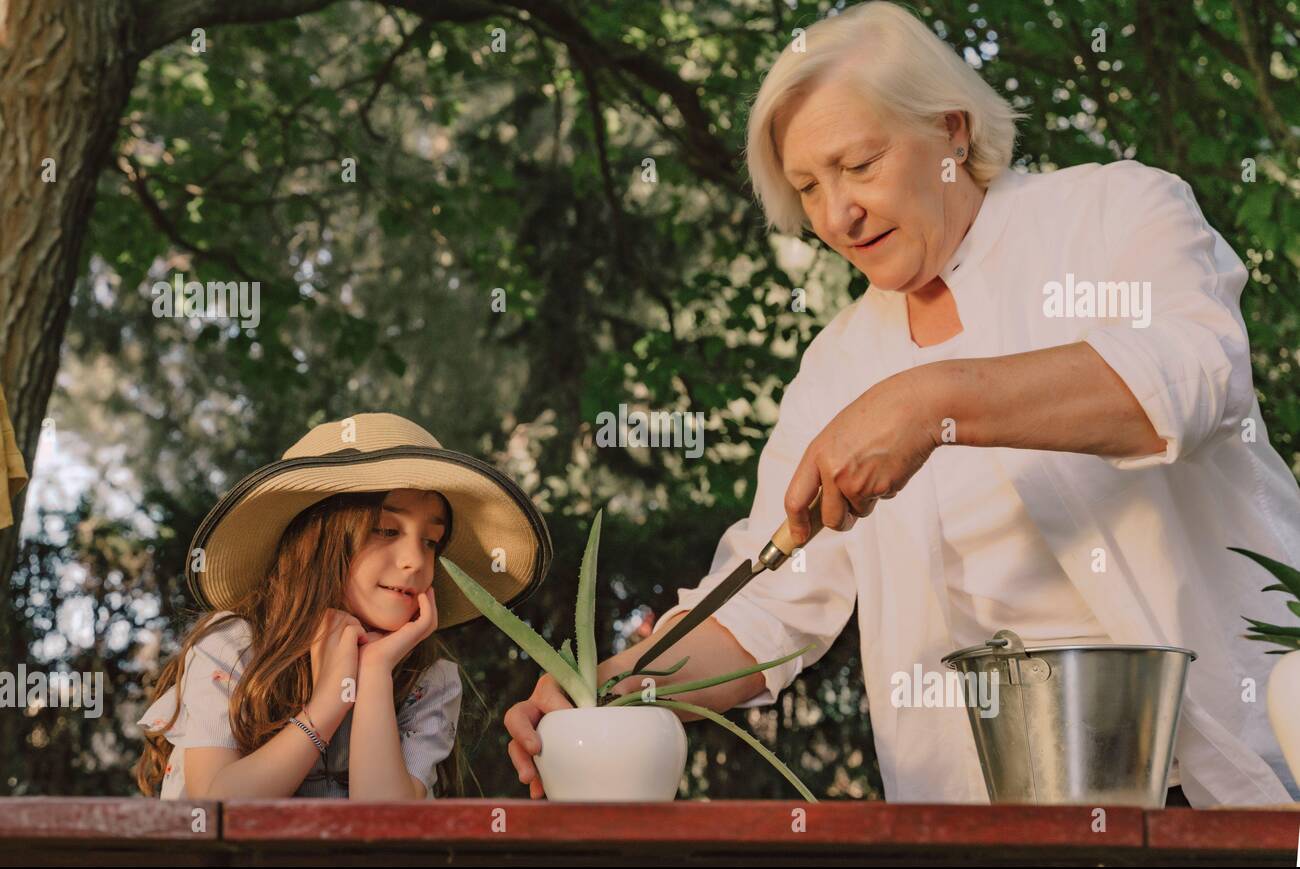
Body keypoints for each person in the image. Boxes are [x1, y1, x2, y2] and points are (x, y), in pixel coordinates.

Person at [505, 1, 1300, 807]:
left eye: (859, 165)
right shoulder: (838, 365)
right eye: (808, 187)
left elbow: (1195, 376)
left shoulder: (1115, 213)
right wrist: (609, 687)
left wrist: (932, 403)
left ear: (952, 132)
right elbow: (768, 604)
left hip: (1217, 785)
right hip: (984, 824)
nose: (836, 216)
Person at [135, 412, 551, 799]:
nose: (416, 560)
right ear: (317, 543)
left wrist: (371, 675)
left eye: (431, 541)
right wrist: (328, 703)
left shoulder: (431, 680)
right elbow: (217, 806)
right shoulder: (234, 645)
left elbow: (385, 829)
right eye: (387, 530)